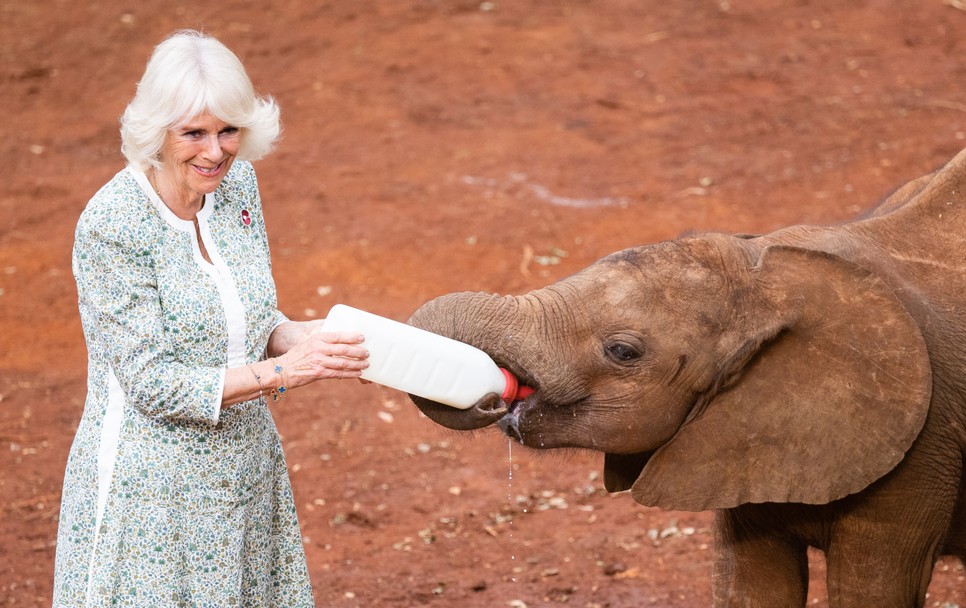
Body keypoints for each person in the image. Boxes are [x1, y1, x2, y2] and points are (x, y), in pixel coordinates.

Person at [52, 30, 369, 608]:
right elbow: (152, 384)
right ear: (157, 131)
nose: (215, 151)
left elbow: (243, 310)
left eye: (228, 130)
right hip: (152, 496)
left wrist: (305, 335)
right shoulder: (112, 226)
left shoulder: (236, 186)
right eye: (193, 133)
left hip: (244, 471)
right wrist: (284, 372)